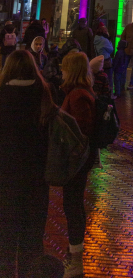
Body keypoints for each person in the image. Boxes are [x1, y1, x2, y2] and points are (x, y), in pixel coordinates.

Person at [0, 50, 55, 277]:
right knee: (31, 241)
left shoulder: (2, 94)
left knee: (4, 239)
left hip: (4, 180)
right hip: (36, 180)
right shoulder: (44, 94)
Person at [60, 51, 97, 278]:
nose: (62, 71)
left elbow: (82, 131)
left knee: (72, 205)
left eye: (65, 68)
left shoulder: (78, 96)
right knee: (73, 204)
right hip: (79, 159)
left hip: (76, 161)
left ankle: (75, 258)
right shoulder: (80, 92)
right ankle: (73, 251)